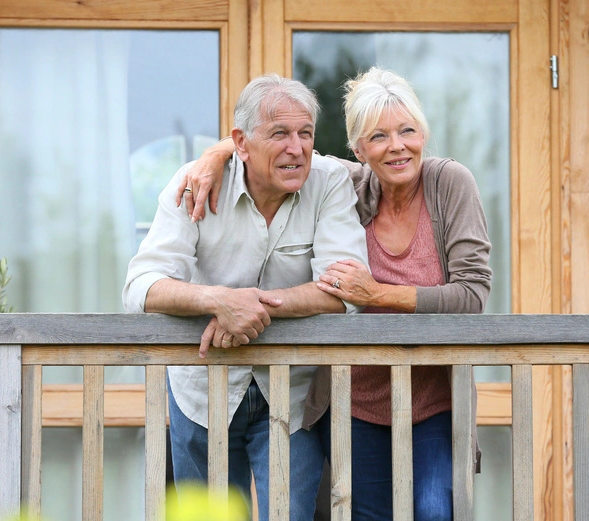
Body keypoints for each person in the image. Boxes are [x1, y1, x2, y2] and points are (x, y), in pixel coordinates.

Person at [181, 66, 492, 521]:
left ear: (423, 133)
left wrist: (378, 294)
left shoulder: (450, 184)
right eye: (379, 137)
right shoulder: (344, 184)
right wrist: (215, 155)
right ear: (359, 149)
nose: (397, 146)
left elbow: (472, 295)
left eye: (407, 131)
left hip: (432, 401)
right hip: (353, 401)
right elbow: (278, 149)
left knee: (434, 509)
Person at [122, 73, 368, 521]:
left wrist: (252, 307)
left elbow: (347, 291)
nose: (297, 148)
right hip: (200, 389)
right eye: (279, 133)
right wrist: (217, 300)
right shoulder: (192, 182)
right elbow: (141, 285)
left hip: (293, 395)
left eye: (305, 133)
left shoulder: (330, 181)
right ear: (241, 142)